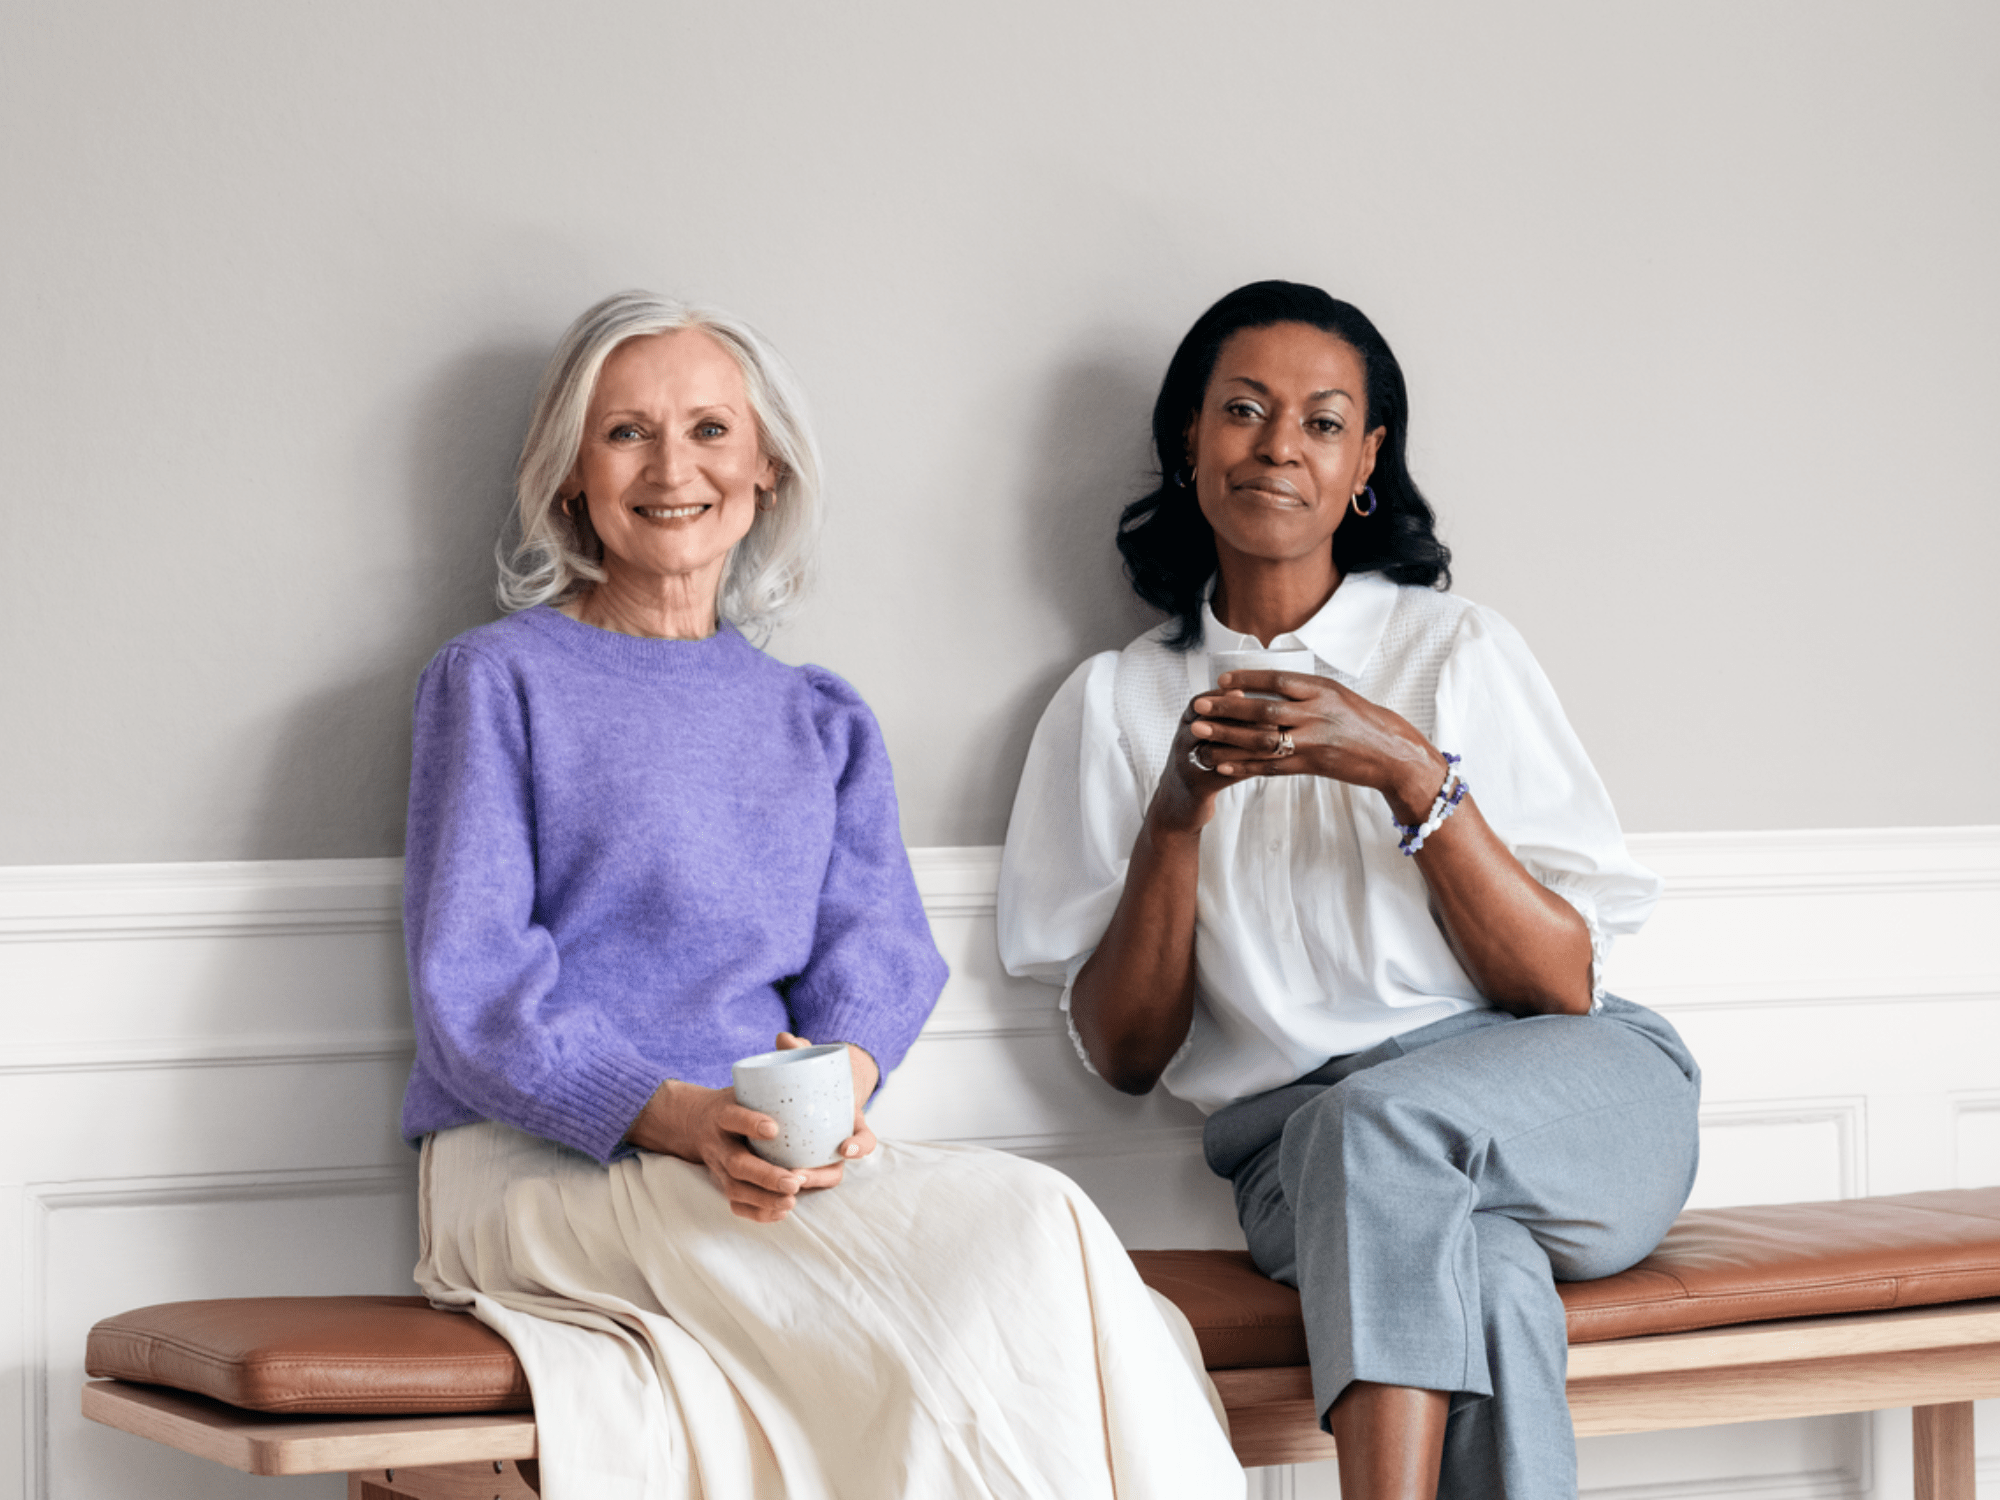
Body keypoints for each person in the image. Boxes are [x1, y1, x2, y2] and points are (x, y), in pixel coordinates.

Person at [401, 290, 1243, 1500]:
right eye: (626, 432)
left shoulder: (817, 716)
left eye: (707, 430)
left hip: (770, 1158)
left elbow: (879, 957)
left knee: (1037, 1226)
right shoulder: (493, 683)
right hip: (541, 1172)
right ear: (570, 478)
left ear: (765, 472)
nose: (671, 467)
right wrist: (682, 1119)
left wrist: (836, 1085)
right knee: (985, 1307)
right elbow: (474, 997)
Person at [997, 280, 1700, 1500]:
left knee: (1375, 1127)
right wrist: (1174, 816)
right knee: (1477, 1278)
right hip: (1300, 1158)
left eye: (1322, 423)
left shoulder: (1454, 651)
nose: (1277, 446)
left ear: (1366, 460)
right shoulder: (1111, 704)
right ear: (1187, 439)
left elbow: (1561, 981)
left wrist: (1407, 771)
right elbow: (1120, 1053)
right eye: (1243, 411)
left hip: (1569, 1102)